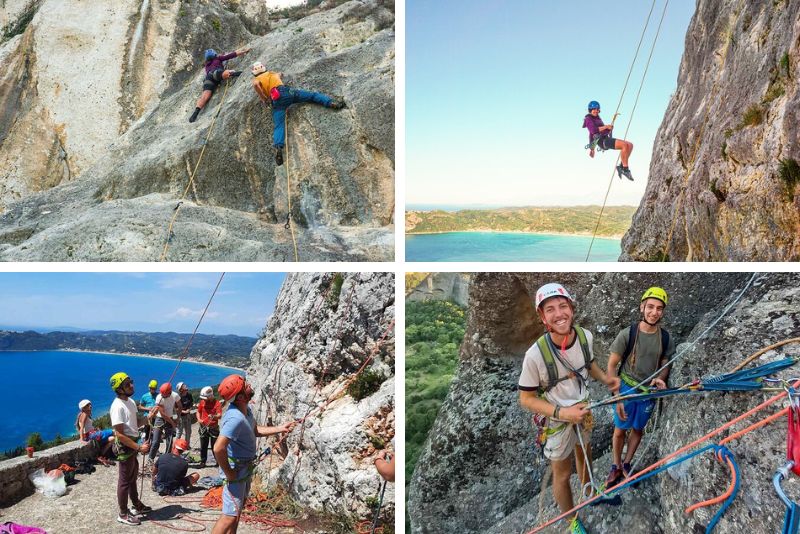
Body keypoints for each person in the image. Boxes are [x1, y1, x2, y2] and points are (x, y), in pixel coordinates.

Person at [518, 283, 620, 534]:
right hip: (556, 419)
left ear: (572, 309)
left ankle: (590, 491)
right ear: (543, 318)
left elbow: (589, 364)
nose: (559, 313)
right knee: (562, 473)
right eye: (550, 309)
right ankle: (571, 520)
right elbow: (526, 399)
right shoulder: (535, 356)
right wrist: (564, 413)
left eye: (563, 306)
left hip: (583, 409)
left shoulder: (584, 336)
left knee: (585, 452)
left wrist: (606, 379)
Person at [605, 287, 675, 487]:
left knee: (638, 429)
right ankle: (615, 465)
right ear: (642, 307)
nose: (654, 312)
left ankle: (627, 464)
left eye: (659, 308)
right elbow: (611, 365)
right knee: (620, 430)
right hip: (626, 388)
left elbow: (665, 362)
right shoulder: (628, 334)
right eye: (650, 307)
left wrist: (661, 378)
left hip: (647, 392)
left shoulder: (665, 338)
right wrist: (616, 395)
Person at [211, 375, 296, 534]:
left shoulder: (246, 411)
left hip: (243, 468)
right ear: (241, 396)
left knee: (236, 513)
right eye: (246, 385)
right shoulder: (235, 418)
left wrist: (280, 428)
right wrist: (229, 473)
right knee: (229, 516)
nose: (250, 384)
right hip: (236, 470)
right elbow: (218, 448)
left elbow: (255, 430)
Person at [250, 61, 345, 166]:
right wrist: (280, 74)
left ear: (254, 72)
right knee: (312, 96)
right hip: (287, 92)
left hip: (277, 100)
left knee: (279, 125)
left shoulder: (256, 79)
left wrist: (263, 97)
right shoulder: (272, 74)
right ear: (264, 68)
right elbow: (280, 74)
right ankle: (330, 103)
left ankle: (278, 147)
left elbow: (255, 84)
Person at [109, 372, 151, 526]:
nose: (132, 385)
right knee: (125, 480)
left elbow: (136, 422)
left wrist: (148, 416)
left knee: (133, 476)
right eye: (127, 384)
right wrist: (139, 447)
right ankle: (123, 513)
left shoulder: (131, 402)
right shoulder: (117, 407)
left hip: (133, 443)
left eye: (131, 382)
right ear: (119, 389)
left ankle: (136, 505)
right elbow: (119, 434)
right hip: (126, 446)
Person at [189, 47, 252, 123]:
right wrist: (245, 50)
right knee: (226, 73)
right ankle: (238, 73)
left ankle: (195, 113)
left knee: (205, 96)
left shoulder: (207, 65)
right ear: (214, 54)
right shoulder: (218, 58)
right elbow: (232, 55)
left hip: (208, 78)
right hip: (216, 73)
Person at [583, 100, 634, 181]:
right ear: (590, 110)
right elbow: (593, 131)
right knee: (624, 145)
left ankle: (621, 166)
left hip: (605, 138)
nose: (596, 111)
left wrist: (609, 129)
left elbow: (602, 130)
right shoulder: (588, 119)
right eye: (594, 109)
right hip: (602, 141)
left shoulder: (597, 118)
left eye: (597, 109)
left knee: (630, 145)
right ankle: (625, 169)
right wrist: (592, 148)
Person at [76, 399, 115, 466]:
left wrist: (95, 429)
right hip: (90, 435)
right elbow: (82, 428)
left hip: (92, 434)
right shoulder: (84, 414)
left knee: (112, 438)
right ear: (83, 408)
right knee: (113, 431)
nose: (90, 406)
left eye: (90, 404)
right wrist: (82, 439)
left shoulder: (83, 414)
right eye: (87, 405)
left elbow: (87, 427)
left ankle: (100, 455)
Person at [149, 382, 180, 463]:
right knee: (156, 441)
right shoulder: (159, 398)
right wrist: (173, 423)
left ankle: (166, 459)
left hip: (170, 417)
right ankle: (150, 459)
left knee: (169, 441)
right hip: (160, 418)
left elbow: (180, 406)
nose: (163, 396)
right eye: (162, 394)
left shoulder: (175, 395)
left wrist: (178, 418)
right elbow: (163, 414)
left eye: (164, 394)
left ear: (170, 393)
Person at [197, 386, 222, 467]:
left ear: (210, 396)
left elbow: (219, 415)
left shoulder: (217, 403)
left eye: (205, 398)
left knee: (214, 446)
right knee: (203, 445)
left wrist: (213, 416)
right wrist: (199, 419)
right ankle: (203, 462)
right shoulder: (202, 402)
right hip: (203, 426)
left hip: (213, 427)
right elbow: (198, 412)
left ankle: (218, 461)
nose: (204, 399)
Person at [176, 382, 194, 446]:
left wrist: (189, 410)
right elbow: (176, 408)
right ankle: (176, 445)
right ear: (181, 389)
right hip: (180, 416)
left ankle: (187, 445)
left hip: (188, 415)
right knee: (179, 432)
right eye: (183, 385)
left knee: (188, 431)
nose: (185, 385)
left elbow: (191, 404)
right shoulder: (178, 397)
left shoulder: (189, 395)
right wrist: (183, 411)